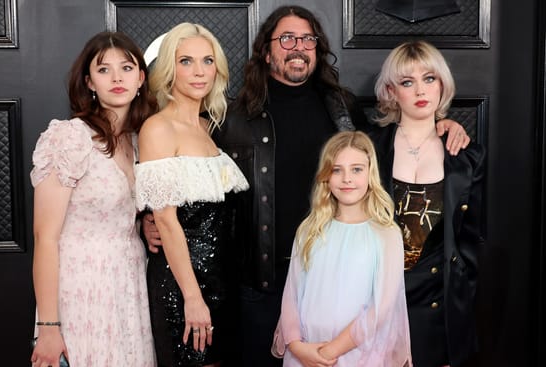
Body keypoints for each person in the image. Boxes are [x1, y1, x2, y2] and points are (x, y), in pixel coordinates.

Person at [143, 5, 469, 366]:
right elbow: (187, 176)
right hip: (260, 286)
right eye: (286, 38)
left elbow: (385, 153)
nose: (298, 46)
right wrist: (148, 217)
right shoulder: (232, 116)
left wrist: (443, 124)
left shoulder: (342, 108)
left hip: (334, 285)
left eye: (307, 39)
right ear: (266, 52)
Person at [30, 31, 157, 367]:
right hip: (80, 290)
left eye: (127, 68)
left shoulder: (142, 140)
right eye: (103, 70)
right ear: (89, 82)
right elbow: (46, 237)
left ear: (141, 78)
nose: (117, 78)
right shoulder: (69, 137)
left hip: (129, 287)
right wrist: (48, 326)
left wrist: (144, 223)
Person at [134, 22, 249, 367]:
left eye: (207, 61)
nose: (199, 72)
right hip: (182, 285)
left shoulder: (206, 126)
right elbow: (166, 220)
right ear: (170, 69)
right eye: (186, 61)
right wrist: (192, 297)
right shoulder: (157, 128)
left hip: (220, 281)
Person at [371, 40, 485, 367]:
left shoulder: (467, 157)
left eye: (429, 78)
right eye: (408, 82)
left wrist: (460, 316)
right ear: (392, 91)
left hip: (438, 302)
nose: (421, 89)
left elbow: (471, 244)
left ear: (443, 84)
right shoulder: (370, 146)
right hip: (381, 298)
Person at [276, 131, 412, 367]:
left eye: (357, 169)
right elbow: (292, 294)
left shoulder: (386, 234)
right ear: (326, 176)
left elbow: (381, 308)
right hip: (306, 353)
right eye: (337, 170)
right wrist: (297, 346)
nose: (346, 178)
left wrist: (330, 352)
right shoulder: (309, 230)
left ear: (370, 174)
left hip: (358, 355)